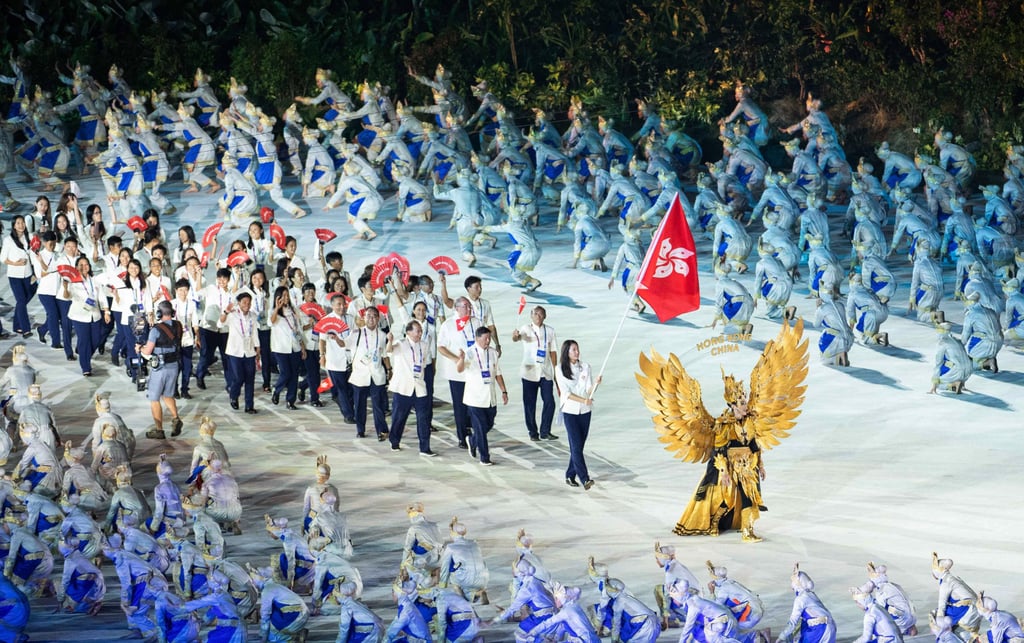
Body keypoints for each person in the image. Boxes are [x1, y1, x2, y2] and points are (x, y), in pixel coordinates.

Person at [456, 326, 508, 465]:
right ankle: (484, 457)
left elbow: (497, 373)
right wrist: (461, 359)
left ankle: (472, 440)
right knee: (479, 427)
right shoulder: (469, 353)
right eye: (485, 338)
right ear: (477, 338)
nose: (488, 341)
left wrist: (504, 390)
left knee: (489, 423)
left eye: (489, 338)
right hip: (475, 398)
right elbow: (460, 369)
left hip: (490, 397)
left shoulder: (493, 353)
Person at [436, 297, 483, 449]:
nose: (469, 309)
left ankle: (475, 432)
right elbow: (441, 347)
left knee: (475, 403)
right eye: (466, 306)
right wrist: (457, 359)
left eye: (469, 306)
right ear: (457, 308)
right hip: (457, 372)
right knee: (459, 406)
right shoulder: (448, 324)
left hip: (474, 370)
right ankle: (462, 436)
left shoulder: (476, 322)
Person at [555, 339, 601, 489]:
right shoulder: (559, 369)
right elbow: (566, 393)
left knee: (578, 446)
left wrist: (595, 384)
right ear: (566, 352)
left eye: (577, 349)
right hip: (570, 410)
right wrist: (583, 400)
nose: (577, 352)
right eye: (573, 349)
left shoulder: (586, 367)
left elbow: (588, 390)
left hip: (585, 411)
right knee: (575, 445)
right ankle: (585, 478)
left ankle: (570, 475)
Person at [136, 300, 184, 439]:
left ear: (159, 313)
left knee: (154, 398)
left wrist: (139, 348)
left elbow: (148, 350)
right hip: (174, 365)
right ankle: (176, 418)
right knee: (168, 395)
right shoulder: (178, 325)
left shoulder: (155, 330)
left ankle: (159, 430)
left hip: (160, 368)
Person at [387, 320, 435, 456]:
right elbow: (389, 351)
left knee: (423, 418)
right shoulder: (401, 344)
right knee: (399, 417)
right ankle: (394, 440)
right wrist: (390, 340)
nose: (420, 333)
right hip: (403, 387)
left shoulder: (424, 345)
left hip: (419, 386)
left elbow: (424, 363)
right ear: (408, 332)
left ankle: (425, 447)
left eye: (420, 331)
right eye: (417, 331)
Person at [511, 306, 559, 441]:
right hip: (529, 372)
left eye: (540, 314)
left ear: (545, 316)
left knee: (550, 402)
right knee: (530, 404)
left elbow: (553, 351)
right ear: (531, 316)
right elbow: (517, 337)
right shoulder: (526, 328)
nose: (538, 316)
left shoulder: (550, 330)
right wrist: (515, 336)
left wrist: (555, 370)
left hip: (545, 372)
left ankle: (545, 431)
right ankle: (533, 432)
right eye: (535, 313)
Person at [64, 256, 111, 376]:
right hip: (79, 316)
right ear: (76, 267)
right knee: (84, 340)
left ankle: (83, 352)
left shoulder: (94, 280)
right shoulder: (72, 281)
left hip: (94, 314)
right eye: (81, 265)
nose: (84, 267)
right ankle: (86, 367)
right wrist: (65, 287)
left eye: (86, 265)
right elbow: (67, 296)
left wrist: (106, 311)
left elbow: (101, 296)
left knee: (96, 339)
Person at [350, 306, 390, 440]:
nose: (371, 318)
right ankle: (360, 429)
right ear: (364, 317)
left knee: (378, 404)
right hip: (360, 375)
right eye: (368, 316)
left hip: (377, 374)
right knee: (360, 404)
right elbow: (344, 344)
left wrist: (390, 370)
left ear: (378, 318)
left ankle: (382, 430)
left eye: (374, 316)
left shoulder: (383, 335)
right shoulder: (356, 333)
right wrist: (336, 339)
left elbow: (385, 355)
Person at [220, 292, 260, 413]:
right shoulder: (233, 315)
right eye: (244, 302)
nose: (246, 305)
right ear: (239, 303)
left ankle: (249, 406)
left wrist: (257, 347)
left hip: (249, 350)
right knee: (238, 377)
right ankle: (234, 395)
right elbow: (220, 323)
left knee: (250, 379)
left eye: (248, 302)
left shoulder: (253, 316)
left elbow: (254, 333)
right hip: (235, 351)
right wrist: (226, 312)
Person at [320, 293, 356, 424]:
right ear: (332, 306)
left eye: (343, 304)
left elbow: (354, 336)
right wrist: (322, 355)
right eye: (338, 304)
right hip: (335, 360)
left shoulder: (350, 319)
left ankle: (348, 408)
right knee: (341, 389)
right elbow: (322, 340)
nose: (342, 307)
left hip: (350, 359)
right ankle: (348, 414)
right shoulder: (327, 320)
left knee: (350, 388)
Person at [269, 286, 304, 410]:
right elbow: (271, 322)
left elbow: (298, 330)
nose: (285, 298)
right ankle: (276, 390)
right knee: (286, 373)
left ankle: (290, 401)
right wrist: (277, 308)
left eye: (287, 295)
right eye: (282, 295)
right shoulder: (274, 311)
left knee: (294, 374)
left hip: (295, 347)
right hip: (281, 348)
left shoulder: (294, 310)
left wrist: (303, 347)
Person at [1, 215, 35, 337]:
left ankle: (16, 325)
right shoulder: (8, 240)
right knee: (21, 300)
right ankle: (26, 328)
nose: (21, 225)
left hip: (28, 273)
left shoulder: (29, 237)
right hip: (15, 275)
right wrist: (16, 263)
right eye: (18, 223)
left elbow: (34, 252)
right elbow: (2, 258)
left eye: (22, 223)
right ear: (14, 226)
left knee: (23, 301)